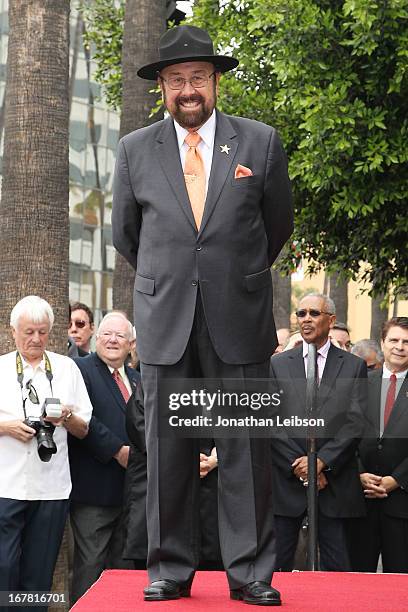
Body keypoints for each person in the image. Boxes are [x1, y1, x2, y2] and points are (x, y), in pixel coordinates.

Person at [112, 24, 293, 606]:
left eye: (196, 78)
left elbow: (276, 227)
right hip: (166, 322)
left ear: (215, 82)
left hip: (238, 321)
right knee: (167, 451)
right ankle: (168, 568)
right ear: (161, 88)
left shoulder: (260, 143)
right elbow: (127, 235)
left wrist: (225, 278)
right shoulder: (135, 150)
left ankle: (251, 574)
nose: (186, 89)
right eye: (174, 80)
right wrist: (177, 282)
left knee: (246, 450)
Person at [0, 295, 92, 609]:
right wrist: (7, 427)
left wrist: (65, 417)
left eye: (42, 331)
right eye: (28, 332)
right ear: (13, 331)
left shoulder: (67, 369)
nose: (36, 339)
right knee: (4, 568)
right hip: (6, 486)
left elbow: (84, 428)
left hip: (51, 488)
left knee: (39, 578)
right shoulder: (0, 368)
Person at [269, 293, 367, 571]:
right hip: (287, 484)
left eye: (314, 313)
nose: (306, 319)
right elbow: (270, 421)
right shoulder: (277, 364)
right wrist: (302, 467)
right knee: (278, 572)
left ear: (331, 320)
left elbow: (355, 422)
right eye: (301, 314)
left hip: (334, 486)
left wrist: (321, 462)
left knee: (339, 572)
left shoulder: (352, 365)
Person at [68, 312, 140, 603]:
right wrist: (116, 450)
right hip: (94, 491)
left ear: (131, 343)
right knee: (90, 567)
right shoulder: (79, 369)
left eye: (120, 335)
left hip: (132, 492)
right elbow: (83, 418)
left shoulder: (138, 378)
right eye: (107, 334)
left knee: (124, 573)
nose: (112, 340)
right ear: (97, 337)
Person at [348, 317, 408, 573]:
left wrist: (397, 479)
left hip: (402, 502)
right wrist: (358, 472)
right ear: (382, 343)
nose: (400, 346)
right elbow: (345, 432)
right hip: (361, 500)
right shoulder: (361, 382)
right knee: (358, 582)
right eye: (394, 340)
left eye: (407, 342)